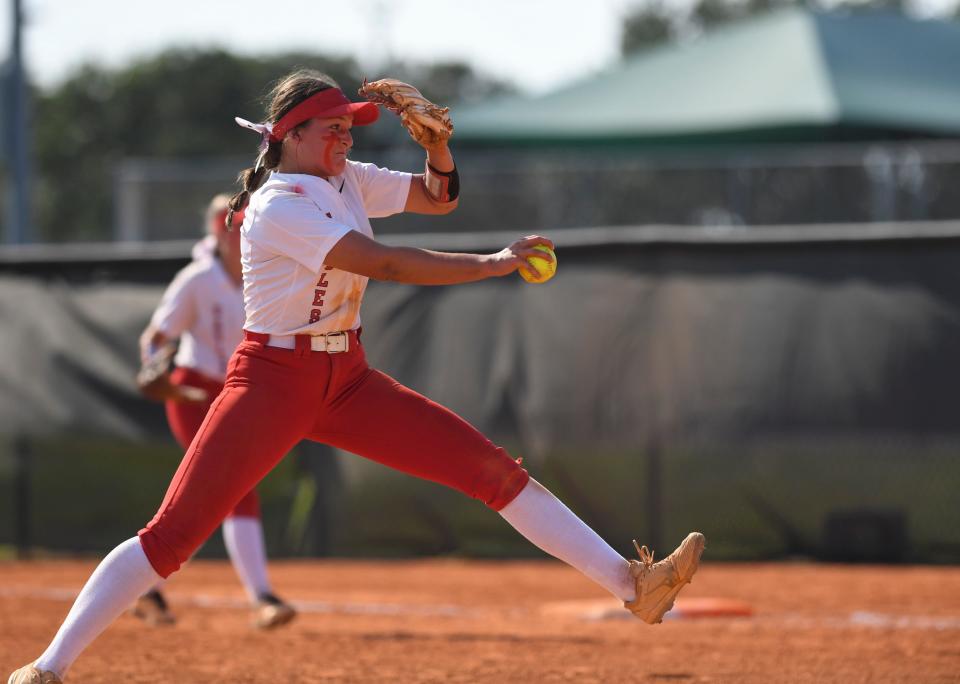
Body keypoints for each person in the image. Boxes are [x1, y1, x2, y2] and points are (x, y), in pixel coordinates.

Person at [9, 70, 704, 684]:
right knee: (172, 537)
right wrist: (492, 264)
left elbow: (436, 200)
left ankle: (632, 584)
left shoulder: (342, 179)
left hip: (347, 377)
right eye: (334, 128)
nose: (347, 136)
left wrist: (437, 148)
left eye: (350, 127)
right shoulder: (279, 204)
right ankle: (49, 667)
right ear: (291, 135)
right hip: (271, 380)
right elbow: (385, 264)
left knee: (491, 471)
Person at [132, 194, 295, 630]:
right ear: (217, 232)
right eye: (232, 225)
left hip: (239, 393)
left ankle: (146, 588)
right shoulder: (198, 279)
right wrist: (153, 365)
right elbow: (157, 335)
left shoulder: (265, 273)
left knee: (208, 495)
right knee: (234, 488)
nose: (239, 231)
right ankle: (262, 598)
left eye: (244, 223)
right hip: (194, 392)